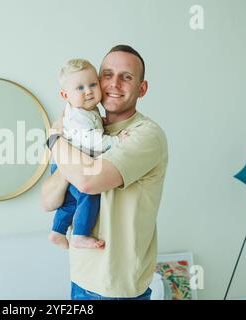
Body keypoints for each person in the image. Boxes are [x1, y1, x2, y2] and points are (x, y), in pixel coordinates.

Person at [41, 45, 168, 300]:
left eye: (127, 77)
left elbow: (88, 182)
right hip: (80, 278)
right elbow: (47, 200)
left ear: (142, 89)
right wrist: (68, 154)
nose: (114, 83)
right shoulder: (85, 127)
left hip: (116, 289)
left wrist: (54, 140)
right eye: (107, 74)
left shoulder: (145, 134)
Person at [49, 58, 128, 250]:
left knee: (70, 202)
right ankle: (80, 234)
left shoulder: (84, 111)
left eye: (93, 84)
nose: (88, 91)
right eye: (80, 88)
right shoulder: (78, 116)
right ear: (64, 94)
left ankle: (58, 231)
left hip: (63, 163)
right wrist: (117, 140)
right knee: (89, 194)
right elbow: (93, 142)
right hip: (71, 165)